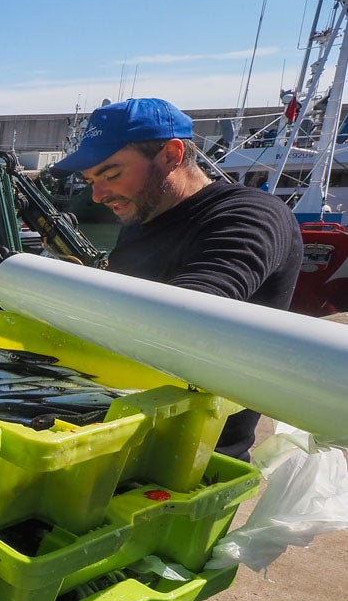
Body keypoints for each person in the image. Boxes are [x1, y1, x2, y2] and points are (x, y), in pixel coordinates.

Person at [50, 97, 302, 462]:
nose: (98, 195)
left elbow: (185, 315)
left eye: (111, 174)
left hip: (196, 453)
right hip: (122, 426)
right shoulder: (143, 216)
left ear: (171, 154)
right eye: (90, 180)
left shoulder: (250, 215)